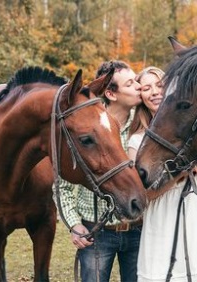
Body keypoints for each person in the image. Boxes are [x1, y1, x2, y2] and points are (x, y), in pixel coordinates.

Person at [128, 67, 197, 282]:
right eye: (147, 88)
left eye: (159, 85)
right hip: (163, 218)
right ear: (141, 97)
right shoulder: (137, 141)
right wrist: (178, 175)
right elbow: (140, 196)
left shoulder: (191, 131)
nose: (155, 92)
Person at [53, 60, 143, 282]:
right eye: (131, 83)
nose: (139, 87)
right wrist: (74, 223)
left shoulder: (143, 126)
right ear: (111, 94)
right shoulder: (88, 127)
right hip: (97, 233)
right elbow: (61, 183)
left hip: (138, 230)